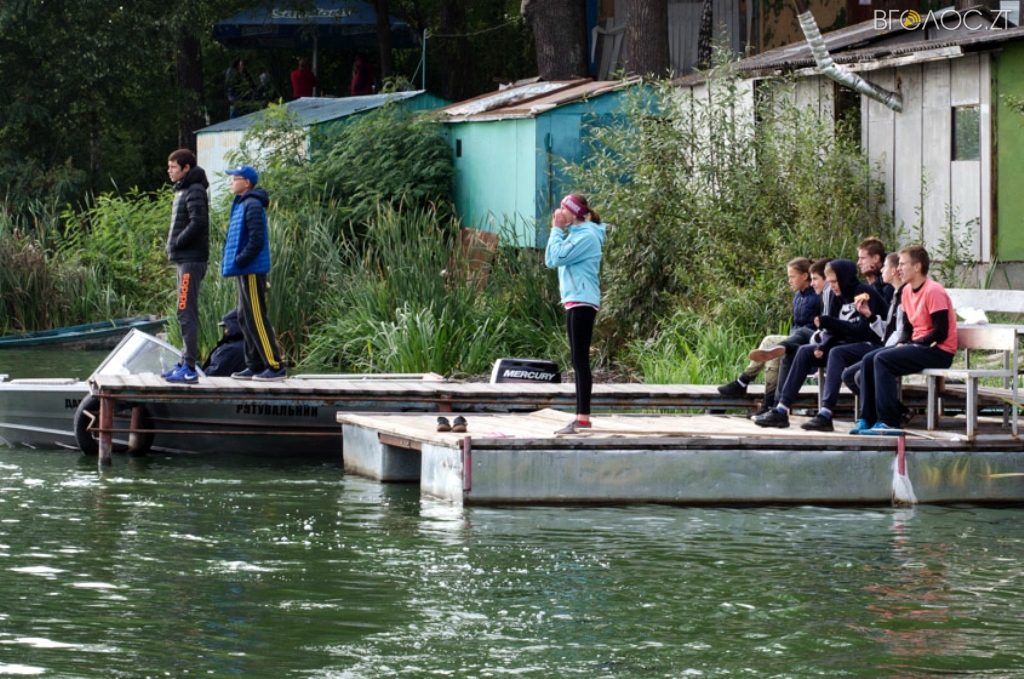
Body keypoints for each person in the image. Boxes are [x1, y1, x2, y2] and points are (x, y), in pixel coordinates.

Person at [754, 259, 888, 429]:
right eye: (830, 282)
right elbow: (832, 329)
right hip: (845, 344)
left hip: (871, 344)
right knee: (804, 351)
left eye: (835, 281)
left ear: (845, 278)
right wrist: (823, 345)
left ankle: (826, 413)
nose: (832, 286)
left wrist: (829, 323)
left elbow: (863, 331)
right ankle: (781, 409)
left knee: (836, 352)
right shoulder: (836, 296)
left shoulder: (864, 293)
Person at [852, 245, 957, 435]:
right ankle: (867, 418)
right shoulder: (907, 291)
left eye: (902, 264)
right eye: (898, 264)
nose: (898, 268)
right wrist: (904, 342)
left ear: (917, 267)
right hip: (919, 347)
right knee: (868, 359)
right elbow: (908, 327)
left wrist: (914, 344)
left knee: (882, 360)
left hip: (939, 351)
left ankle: (889, 422)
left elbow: (941, 332)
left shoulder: (934, 291)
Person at [717, 258, 820, 413]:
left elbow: (813, 329)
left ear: (805, 276)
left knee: (771, 343)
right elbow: (795, 325)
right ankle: (765, 400)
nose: (789, 281)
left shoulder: (817, 297)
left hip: (808, 342)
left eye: (792, 276)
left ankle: (748, 386)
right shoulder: (798, 297)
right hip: (794, 340)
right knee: (772, 350)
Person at [545, 194, 606, 435]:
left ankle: (582, 418)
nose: (559, 212)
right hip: (575, 301)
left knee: (580, 360)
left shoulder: (587, 236)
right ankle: (581, 416)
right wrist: (560, 232)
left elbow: (555, 258)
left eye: (563, 208)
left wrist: (556, 229)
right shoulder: (577, 234)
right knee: (576, 360)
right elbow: (552, 258)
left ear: (573, 211)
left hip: (583, 301)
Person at [222, 165, 287, 381]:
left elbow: (256, 240)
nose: (231, 182)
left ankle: (275, 366)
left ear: (247, 183)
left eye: (235, 178)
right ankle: (255, 365)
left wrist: (240, 260)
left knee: (257, 317)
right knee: (244, 317)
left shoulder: (253, 205)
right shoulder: (242, 203)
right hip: (244, 269)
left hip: (252, 269)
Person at [162, 148, 209, 385]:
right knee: (183, 311)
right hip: (184, 260)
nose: (169, 171)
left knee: (185, 310)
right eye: (169, 167)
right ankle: (184, 362)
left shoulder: (195, 190)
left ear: (186, 168)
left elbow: (198, 222)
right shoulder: (184, 189)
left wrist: (178, 242)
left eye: (173, 167)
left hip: (191, 260)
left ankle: (190, 369)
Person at [201, 309, 247, 377]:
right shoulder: (251, 347)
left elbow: (213, 373)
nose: (225, 331)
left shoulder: (230, 349)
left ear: (234, 326)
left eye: (226, 327)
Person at [858, 236, 894, 304]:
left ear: (876, 258)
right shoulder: (876, 273)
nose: (858, 263)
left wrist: (871, 279)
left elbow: (881, 305)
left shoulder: (890, 276)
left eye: (862, 258)